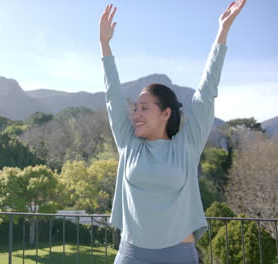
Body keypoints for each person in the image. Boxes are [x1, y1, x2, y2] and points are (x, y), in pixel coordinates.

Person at [99, 1, 246, 263]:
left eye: (144, 108)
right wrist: (105, 46)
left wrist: (222, 32)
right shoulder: (129, 144)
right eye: (135, 108)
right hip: (132, 254)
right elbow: (112, 96)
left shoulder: (186, 145)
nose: (136, 114)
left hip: (178, 254)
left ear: (166, 113)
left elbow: (206, 93)